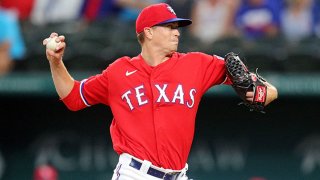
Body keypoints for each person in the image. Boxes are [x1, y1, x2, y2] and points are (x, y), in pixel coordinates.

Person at [43, 3, 278, 180]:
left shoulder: (197, 64)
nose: (177, 32)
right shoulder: (118, 72)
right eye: (169, 26)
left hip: (178, 174)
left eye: (177, 27)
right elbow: (73, 97)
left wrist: (267, 93)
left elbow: (260, 87)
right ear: (149, 32)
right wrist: (56, 61)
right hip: (135, 173)